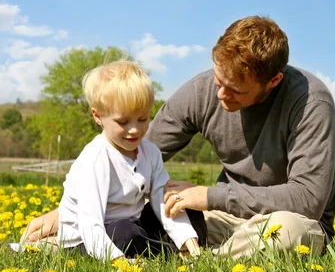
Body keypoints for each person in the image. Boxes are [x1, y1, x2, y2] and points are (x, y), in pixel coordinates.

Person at [21, 16, 335, 259]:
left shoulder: (310, 103)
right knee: (163, 209)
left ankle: (201, 264)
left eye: (236, 90)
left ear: (273, 81)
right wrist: (72, 209)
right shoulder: (206, 90)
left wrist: (210, 196)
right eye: (218, 78)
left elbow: (307, 200)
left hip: (289, 222)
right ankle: (53, 247)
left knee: (286, 232)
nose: (220, 94)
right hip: (222, 219)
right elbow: (135, 151)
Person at [29, 60, 204, 261]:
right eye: (123, 122)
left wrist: (185, 236)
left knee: (182, 206)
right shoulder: (96, 159)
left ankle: (186, 249)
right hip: (87, 239)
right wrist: (117, 261)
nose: (135, 130)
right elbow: (90, 222)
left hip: (132, 223)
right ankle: (158, 253)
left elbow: (160, 198)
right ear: (98, 116)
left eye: (143, 119)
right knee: (125, 233)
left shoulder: (151, 152)